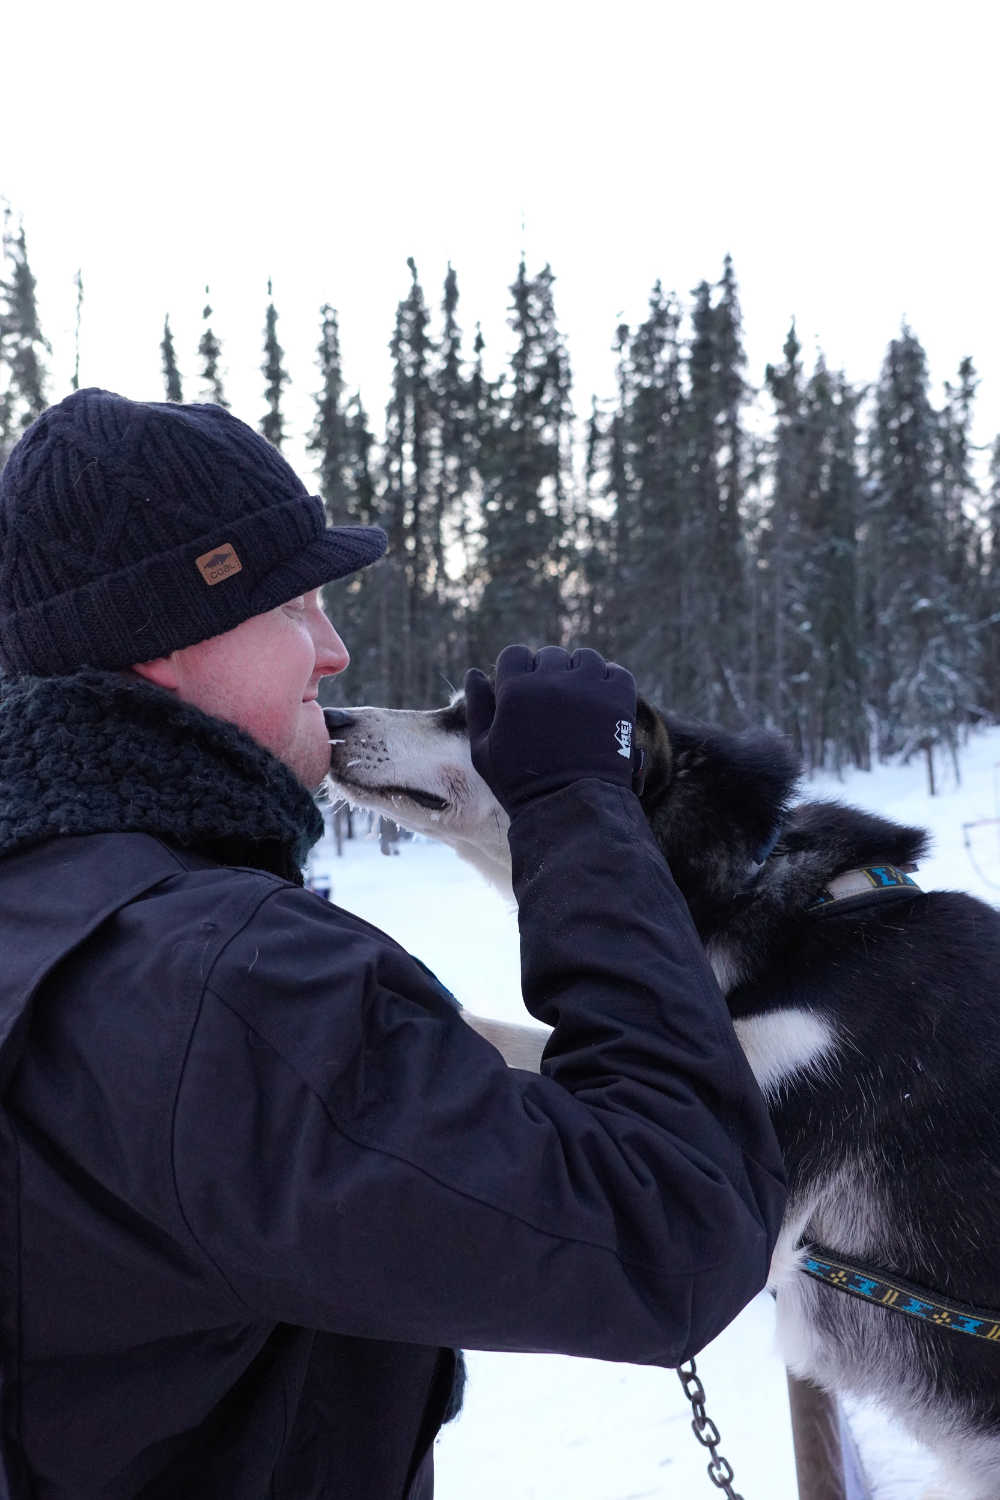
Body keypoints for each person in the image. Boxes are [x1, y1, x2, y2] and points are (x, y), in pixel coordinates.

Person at [0, 388, 785, 1500]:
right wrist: (574, 810)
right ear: (167, 643)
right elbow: (674, 1230)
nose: (332, 649)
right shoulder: (226, 983)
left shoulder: (49, 899)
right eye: (294, 608)